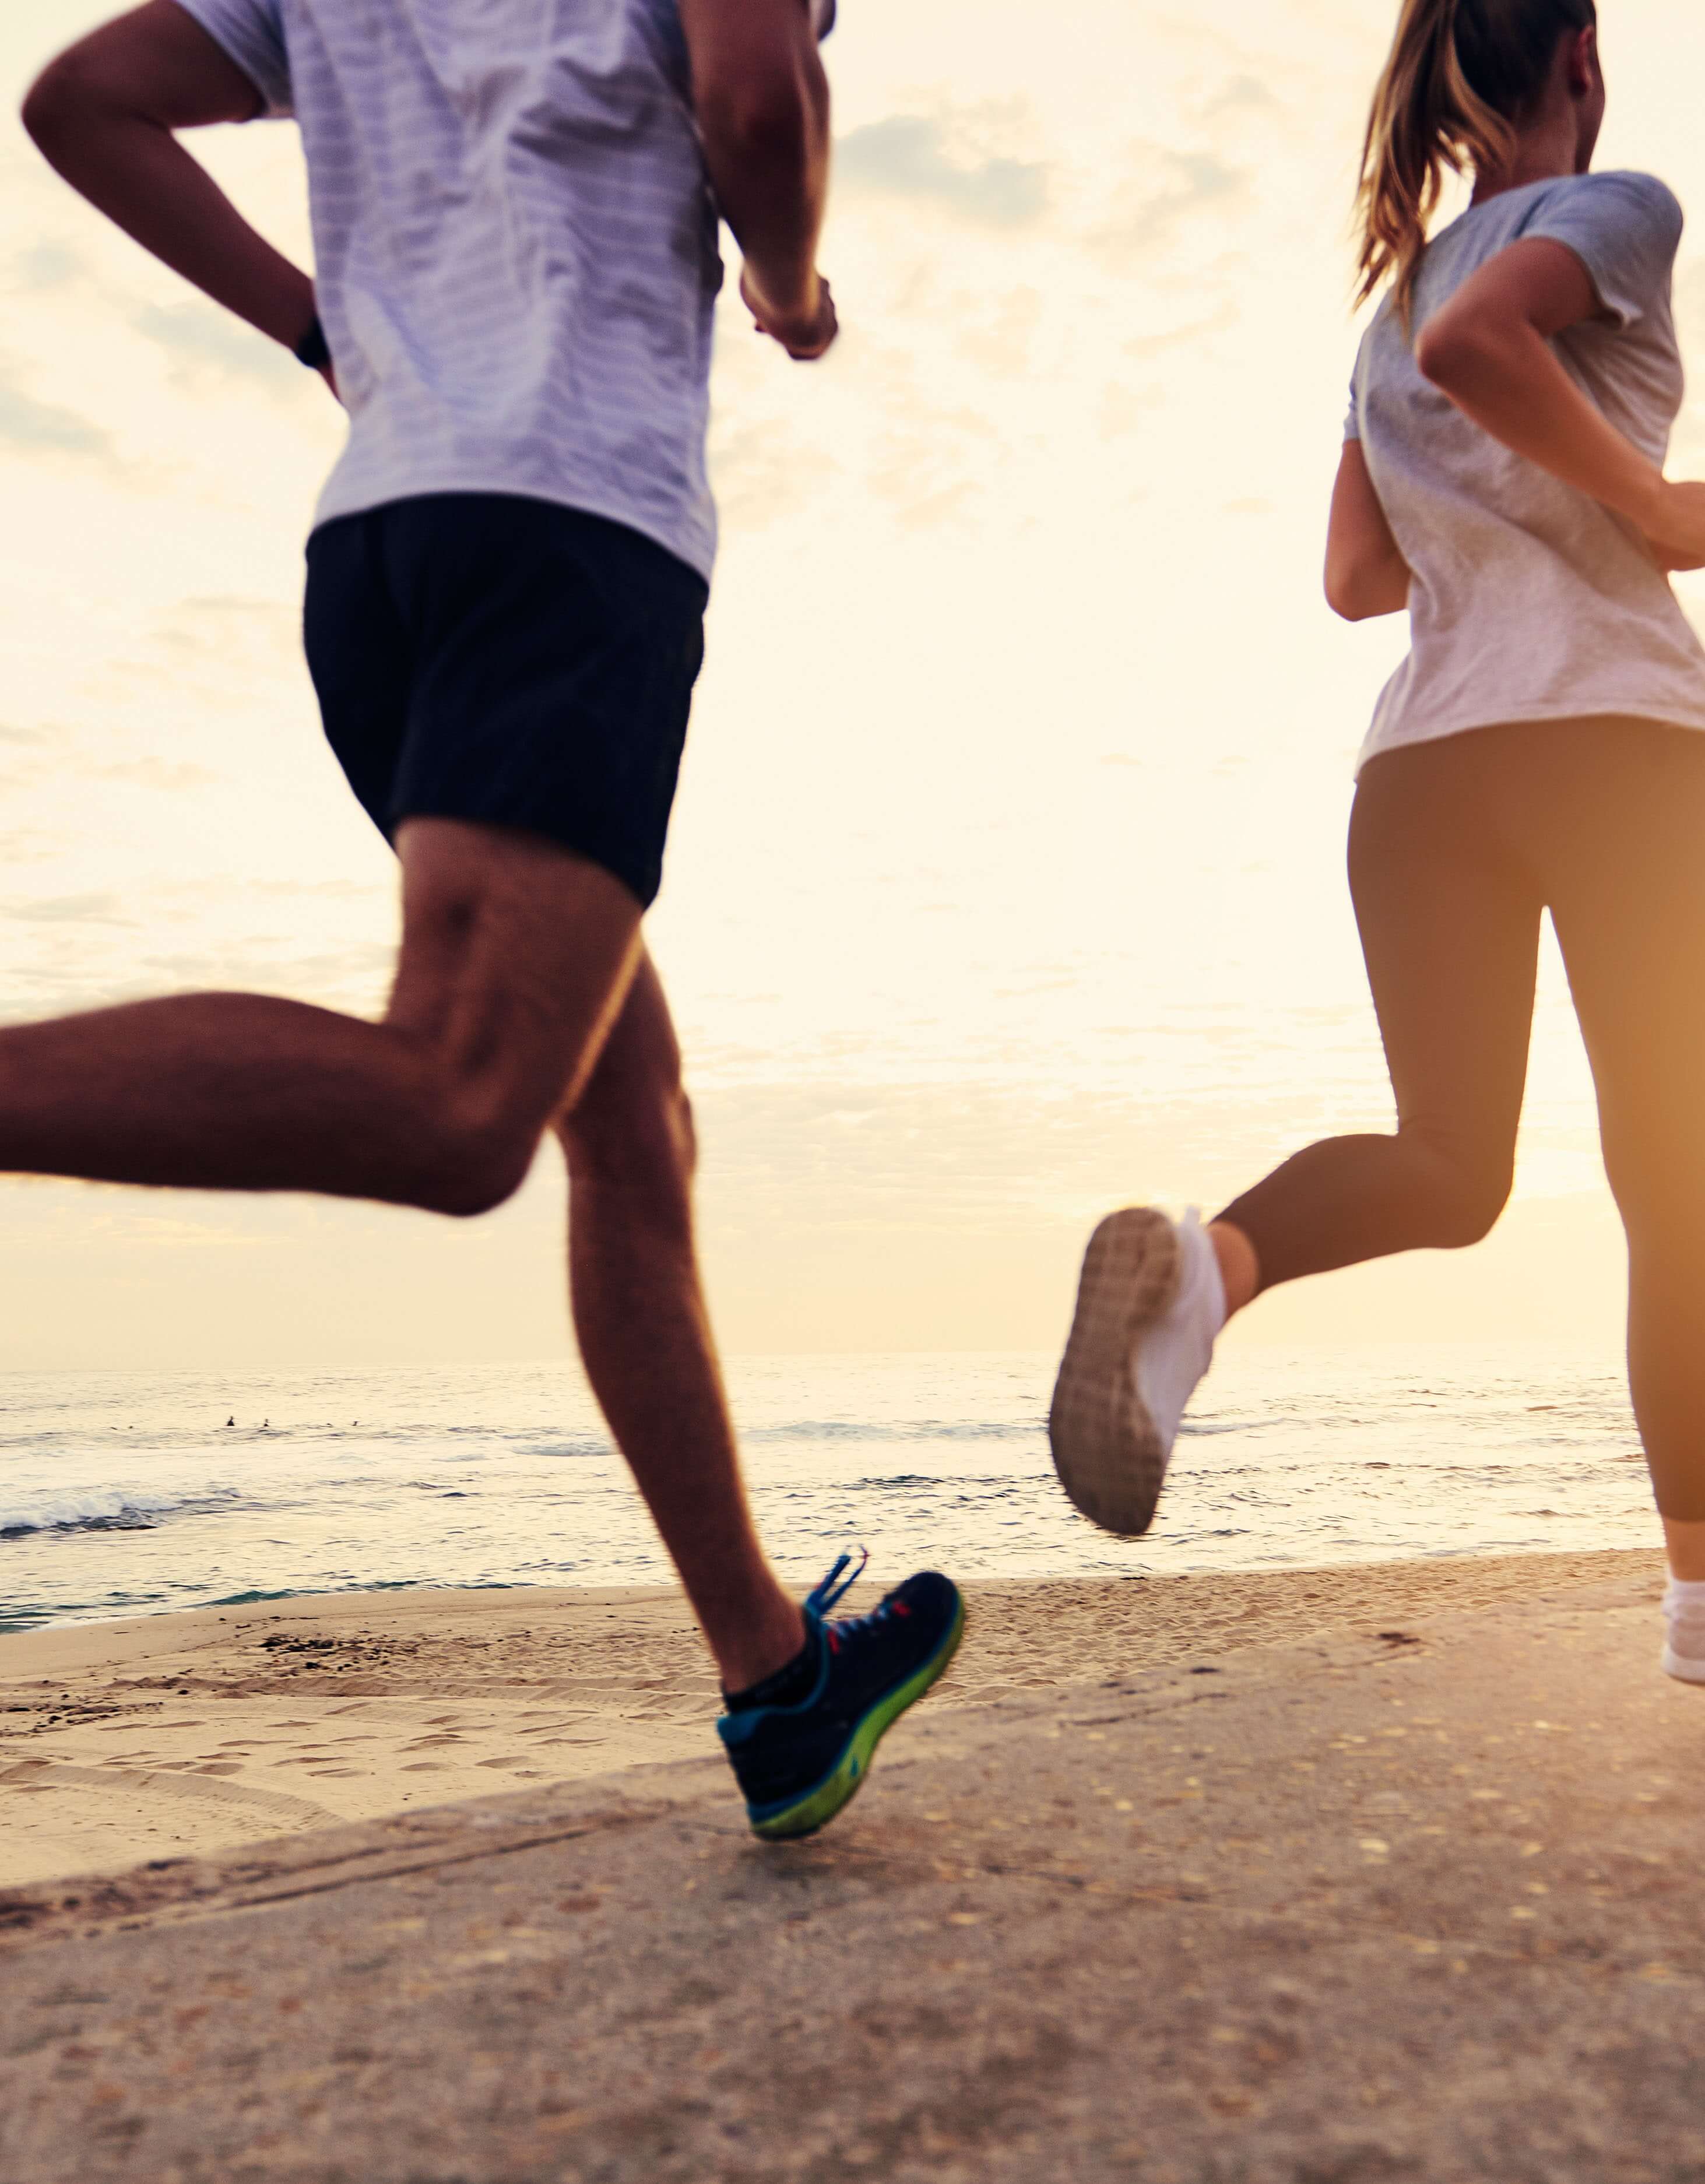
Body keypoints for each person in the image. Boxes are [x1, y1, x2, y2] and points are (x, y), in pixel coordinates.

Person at [19, 0, 962, 1838]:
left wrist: (321, 322)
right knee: (467, 1106)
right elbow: (757, 93)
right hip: (570, 523)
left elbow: (86, 100)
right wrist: (789, 281)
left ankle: (774, 1684)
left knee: (636, 1122)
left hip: (379, 555)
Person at [1048, 0, 1705, 1684]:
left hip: (1423, 772)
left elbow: (1354, 570)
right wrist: (1641, 510)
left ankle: (1207, 1271)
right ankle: (1704, 1603)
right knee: (1675, 1177)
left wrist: (1496, 533)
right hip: (1619, 747)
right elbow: (1483, 345)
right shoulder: (1613, 208)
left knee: (1454, 1165)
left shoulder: (1385, 296)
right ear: (1578, 58)